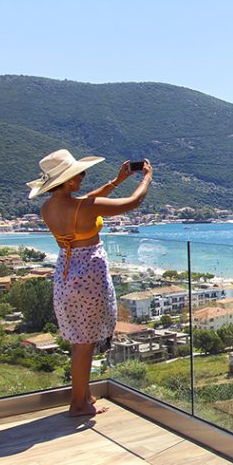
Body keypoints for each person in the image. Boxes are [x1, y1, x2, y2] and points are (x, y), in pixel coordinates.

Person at [27, 149, 152, 416]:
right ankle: (78, 404)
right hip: (89, 276)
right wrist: (146, 179)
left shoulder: (48, 208)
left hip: (66, 272)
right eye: (79, 174)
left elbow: (86, 200)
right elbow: (133, 203)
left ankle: (83, 397)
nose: (82, 178)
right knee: (84, 343)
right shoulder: (84, 207)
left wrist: (116, 181)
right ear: (69, 181)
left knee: (79, 340)